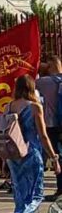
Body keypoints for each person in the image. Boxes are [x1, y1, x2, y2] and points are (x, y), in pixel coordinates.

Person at [3, 75, 62, 213]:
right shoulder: (35, 107)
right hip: (31, 153)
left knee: (22, 194)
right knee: (36, 194)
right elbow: (43, 135)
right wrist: (54, 157)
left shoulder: (8, 107)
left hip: (14, 155)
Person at [34, 54, 62, 199]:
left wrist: (38, 67)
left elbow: (27, 82)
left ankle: (60, 190)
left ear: (49, 66)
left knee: (57, 157)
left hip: (54, 125)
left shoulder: (45, 82)